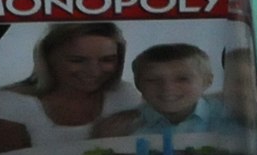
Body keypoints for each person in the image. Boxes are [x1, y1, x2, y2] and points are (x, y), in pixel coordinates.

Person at [0, 23, 135, 151]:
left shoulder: (124, 94)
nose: (94, 71)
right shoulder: (5, 103)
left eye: (107, 60)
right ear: (48, 58)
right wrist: (99, 144)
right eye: (77, 60)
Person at [93, 45, 248, 141]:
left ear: (207, 81)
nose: (167, 88)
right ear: (138, 84)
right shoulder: (121, 128)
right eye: (153, 80)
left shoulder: (233, 116)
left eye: (182, 79)